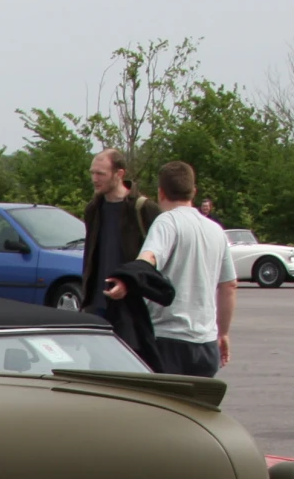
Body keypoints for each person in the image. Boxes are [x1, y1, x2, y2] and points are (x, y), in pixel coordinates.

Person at [102, 160, 234, 376]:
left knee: (163, 407)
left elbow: (150, 257)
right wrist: (224, 332)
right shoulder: (216, 230)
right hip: (206, 343)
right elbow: (229, 285)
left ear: (161, 192)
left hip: (169, 340)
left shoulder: (167, 222)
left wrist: (127, 278)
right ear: (194, 192)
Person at [79, 150, 156, 314]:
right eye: (92, 173)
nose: (94, 179)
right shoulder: (94, 209)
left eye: (100, 174)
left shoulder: (143, 209)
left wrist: (131, 283)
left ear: (119, 174)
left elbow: (158, 257)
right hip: (96, 303)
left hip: (132, 306)